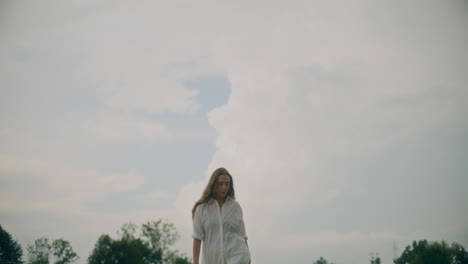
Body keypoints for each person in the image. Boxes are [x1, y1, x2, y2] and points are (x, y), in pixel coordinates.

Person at [192, 167, 251, 264]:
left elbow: (243, 235)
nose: (224, 187)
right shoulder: (201, 209)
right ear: (213, 185)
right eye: (220, 184)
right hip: (212, 260)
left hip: (238, 257)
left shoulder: (235, 207)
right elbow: (197, 238)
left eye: (227, 184)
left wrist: (248, 260)